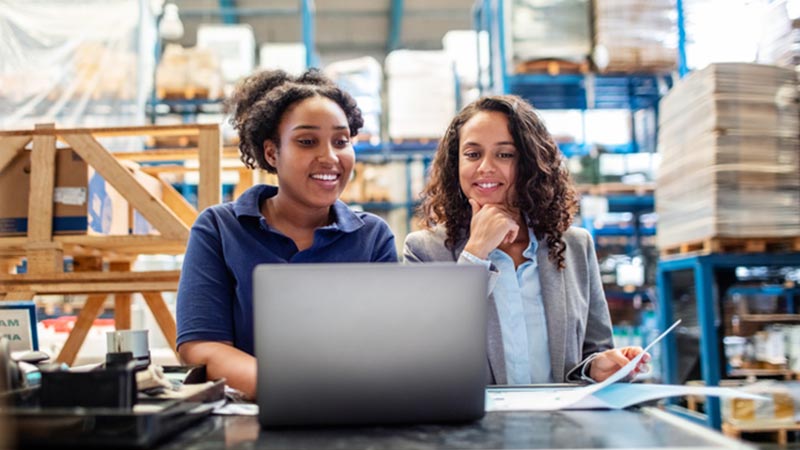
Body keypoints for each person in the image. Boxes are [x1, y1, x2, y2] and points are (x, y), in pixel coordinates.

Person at [176, 69, 398, 399]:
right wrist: (290, 390)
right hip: (252, 414)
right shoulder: (219, 229)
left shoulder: (373, 237)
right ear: (271, 153)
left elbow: (387, 348)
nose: (330, 157)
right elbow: (201, 346)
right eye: (307, 142)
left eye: (341, 141)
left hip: (350, 410)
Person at [403, 95, 649, 384]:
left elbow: (595, 348)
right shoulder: (424, 251)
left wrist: (597, 367)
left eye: (504, 154)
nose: (485, 167)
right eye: (472, 154)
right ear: (455, 164)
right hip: (474, 415)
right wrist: (475, 253)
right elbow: (423, 357)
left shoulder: (575, 247)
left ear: (530, 163)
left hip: (562, 414)